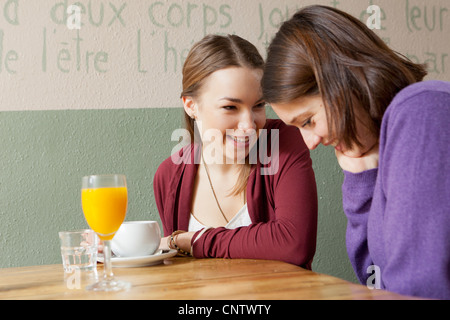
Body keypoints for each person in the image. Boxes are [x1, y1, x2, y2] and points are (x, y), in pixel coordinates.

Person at [261, 5, 450, 299]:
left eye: (308, 120)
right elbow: (374, 281)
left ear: (341, 80)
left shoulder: (422, 109)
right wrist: (361, 177)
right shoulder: (385, 144)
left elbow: (418, 288)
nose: (309, 142)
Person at [154, 34, 318, 268]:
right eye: (230, 107)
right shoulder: (169, 176)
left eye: (259, 105)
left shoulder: (282, 143)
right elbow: (177, 272)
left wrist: (193, 240)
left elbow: (294, 245)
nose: (249, 125)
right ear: (191, 106)